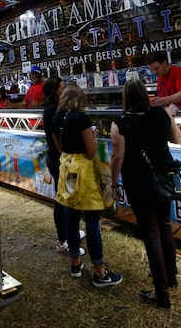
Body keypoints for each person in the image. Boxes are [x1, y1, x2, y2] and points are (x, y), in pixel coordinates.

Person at [110, 78, 181, 309]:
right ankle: (170, 277)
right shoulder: (161, 114)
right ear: (145, 94)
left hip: (138, 182)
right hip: (163, 178)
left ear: (125, 97)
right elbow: (176, 139)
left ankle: (162, 293)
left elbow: (117, 157)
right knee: (165, 226)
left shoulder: (120, 123)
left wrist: (113, 184)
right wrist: (170, 116)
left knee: (151, 233)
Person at [51, 84, 122, 288]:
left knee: (72, 218)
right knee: (92, 221)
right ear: (80, 99)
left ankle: (75, 263)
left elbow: (60, 148)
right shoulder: (80, 118)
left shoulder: (56, 119)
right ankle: (100, 271)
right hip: (85, 172)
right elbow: (91, 151)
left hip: (68, 170)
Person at [42, 76, 84, 255]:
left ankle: (68, 234)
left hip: (57, 158)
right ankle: (63, 240)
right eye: (61, 86)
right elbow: (59, 139)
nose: (64, 88)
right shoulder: (54, 111)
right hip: (60, 159)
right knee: (63, 199)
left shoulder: (52, 109)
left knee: (64, 197)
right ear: (54, 90)